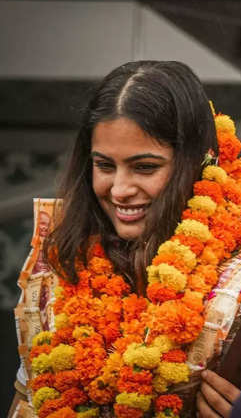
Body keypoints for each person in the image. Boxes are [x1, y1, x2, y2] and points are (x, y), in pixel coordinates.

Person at [11, 60, 221, 414]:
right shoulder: (65, 273)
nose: (120, 190)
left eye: (145, 167)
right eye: (105, 166)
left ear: (198, 162)